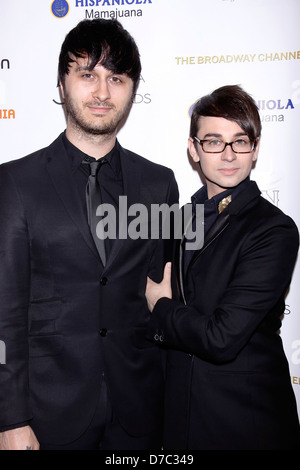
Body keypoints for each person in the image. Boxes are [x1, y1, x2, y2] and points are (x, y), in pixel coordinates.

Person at [0, 18, 178, 450]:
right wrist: (9, 419)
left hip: (138, 413)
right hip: (45, 417)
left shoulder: (160, 184)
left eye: (116, 78)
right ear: (62, 84)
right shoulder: (16, 183)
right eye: (87, 75)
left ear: (132, 89)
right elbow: (4, 313)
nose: (102, 92)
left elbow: (162, 295)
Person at [146, 85, 300, 450]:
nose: (229, 154)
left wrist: (161, 307)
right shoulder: (177, 221)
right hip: (178, 418)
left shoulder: (274, 229)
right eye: (214, 141)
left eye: (240, 141)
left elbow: (221, 338)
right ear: (194, 149)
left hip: (245, 422)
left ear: (255, 148)